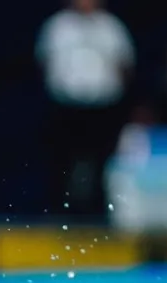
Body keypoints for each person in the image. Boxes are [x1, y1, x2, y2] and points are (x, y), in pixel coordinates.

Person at [35, 0, 134, 218]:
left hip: (104, 107)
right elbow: (44, 62)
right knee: (62, 162)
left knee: (102, 163)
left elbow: (125, 65)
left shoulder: (112, 28)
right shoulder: (57, 27)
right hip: (65, 106)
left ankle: (100, 215)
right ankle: (60, 214)